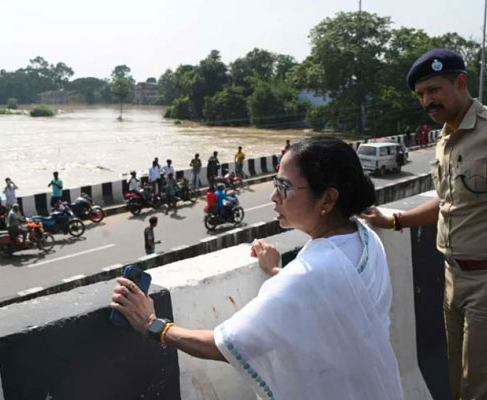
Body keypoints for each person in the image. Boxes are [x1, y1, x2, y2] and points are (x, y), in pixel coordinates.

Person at [111, 136, 403, 399]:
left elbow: (227, 344)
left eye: (284, 187)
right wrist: (279, 272)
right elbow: (331, 299)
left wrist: (153, 324)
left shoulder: (309, 276)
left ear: (327, 198)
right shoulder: (365, 239)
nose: (274, 197)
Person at [362, 48, 487, 399]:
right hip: (452, 279)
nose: (426, 101)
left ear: (460, 82)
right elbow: (448, 203)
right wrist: (395, 220)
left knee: (478, 385)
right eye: (420, 95)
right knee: (456, 379)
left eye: (433, 90)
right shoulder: (446, 138)